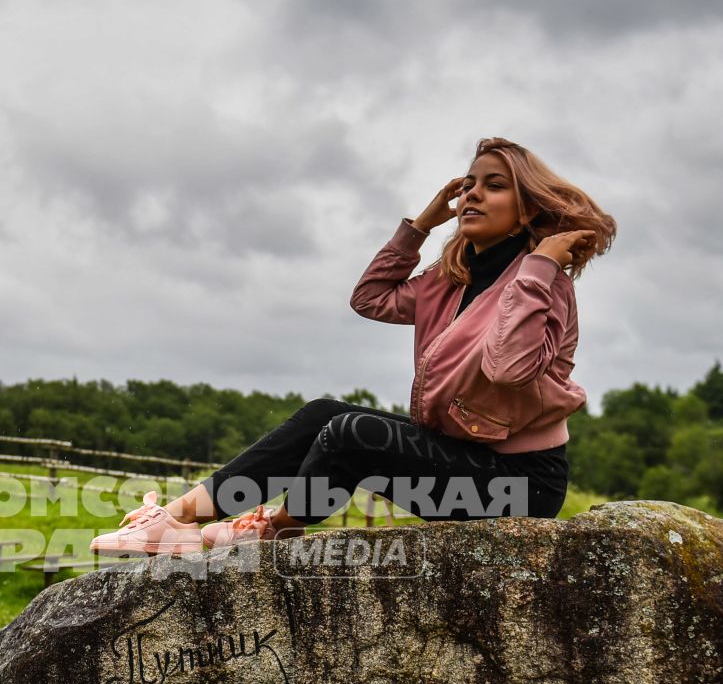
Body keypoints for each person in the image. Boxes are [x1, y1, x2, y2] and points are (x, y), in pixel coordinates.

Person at [90, 137, 616, 554]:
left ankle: (271, 528)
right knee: (323, 413)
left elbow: (507, 368)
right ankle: (178, 521)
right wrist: (419, 226)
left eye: (494, 186)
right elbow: (370, 298)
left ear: (527, 211)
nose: (471, 195)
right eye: (469, 184)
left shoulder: (546, 287)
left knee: (350, 434)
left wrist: (540, 265)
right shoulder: (449, 278)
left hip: (516, 489)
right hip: (460, 459)